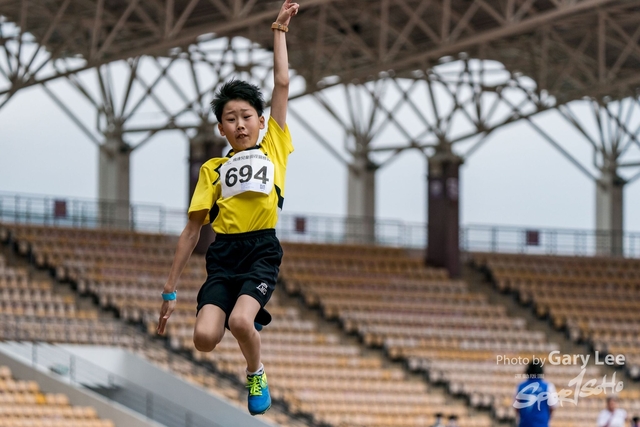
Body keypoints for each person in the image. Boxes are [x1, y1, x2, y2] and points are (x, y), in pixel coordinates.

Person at [156, 0, 299, 416]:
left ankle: (256, 371)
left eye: (247, 116)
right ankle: (243, 318)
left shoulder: (274, 145)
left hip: (260, 250)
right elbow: (191, 232)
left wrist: (278, 29)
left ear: (260, 121)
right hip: (223, 256)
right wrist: (169, 290)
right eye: (231, 119)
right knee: (203, 338)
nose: (240, 124)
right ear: (221, 128)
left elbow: (282, 84)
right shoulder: (213, 169)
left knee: (240, 323)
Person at [513, 361, 558, 427]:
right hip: (541, 424)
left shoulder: (520, 387)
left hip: (524, 424)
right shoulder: (548, 386)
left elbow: (516, 407)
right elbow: (553, 406)